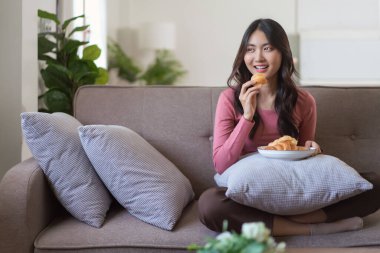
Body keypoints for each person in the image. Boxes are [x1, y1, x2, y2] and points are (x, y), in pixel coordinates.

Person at [198, 18, 380, 236]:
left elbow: (304, 156)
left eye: (268, 48)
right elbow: (221, 164)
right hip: (250, 191)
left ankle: (287, 220)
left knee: (374, 184)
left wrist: (313, 149)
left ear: (283, 53)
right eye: (250, 49)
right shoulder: (230, 98)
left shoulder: (303, 101)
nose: (258, 58)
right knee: (209, 204)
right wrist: (247, 117)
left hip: (291, 186)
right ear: (242, 55)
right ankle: (309, 228)